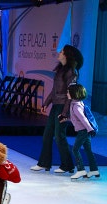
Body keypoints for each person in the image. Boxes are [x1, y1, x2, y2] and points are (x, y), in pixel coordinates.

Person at [30, 45, 82, 174]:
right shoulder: (60, 70)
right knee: (47, 135)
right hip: (56, 106)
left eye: (62, 52)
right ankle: (44, 163)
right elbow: (54, 90)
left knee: (59, 136)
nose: (59, 53)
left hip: (63, 106)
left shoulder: (71, 72)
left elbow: (70, 94)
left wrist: (65, 113)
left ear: (66, 55)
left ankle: (67, 165)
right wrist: (46, 103)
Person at [67, 83, 100, 180]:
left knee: (75, 149)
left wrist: (90, 129)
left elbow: (83, 119)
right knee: (88, 150)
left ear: (74, 93)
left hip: (83, 131)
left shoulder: (76, 106)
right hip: (85, 130)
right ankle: (94, 170)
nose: (67, 93)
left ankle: (81, 170)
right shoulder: (78, 103)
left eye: (68, 92)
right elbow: (77, 118)